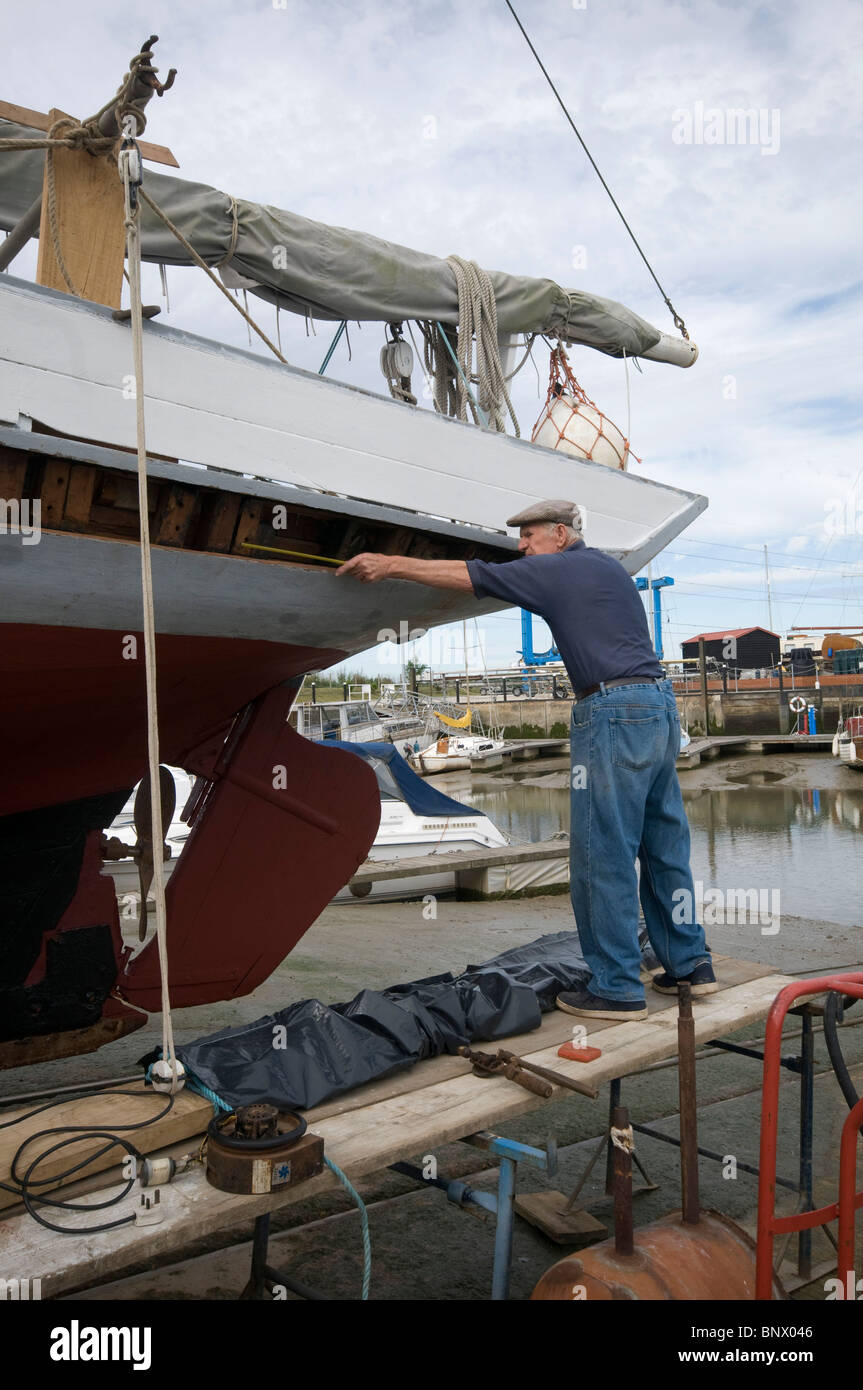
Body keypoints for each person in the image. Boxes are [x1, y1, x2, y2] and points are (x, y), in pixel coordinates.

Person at [335, 500, 714, 1021]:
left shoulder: (556, 569)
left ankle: (617, 988)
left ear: (560, 534)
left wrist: (389, 564)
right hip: (658, 708)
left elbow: (471, 576)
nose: (521, 547)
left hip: (611, 712)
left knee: (602, 853)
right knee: (663, 843)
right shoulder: (608, 568)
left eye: (528, 536)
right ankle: (691, 965)